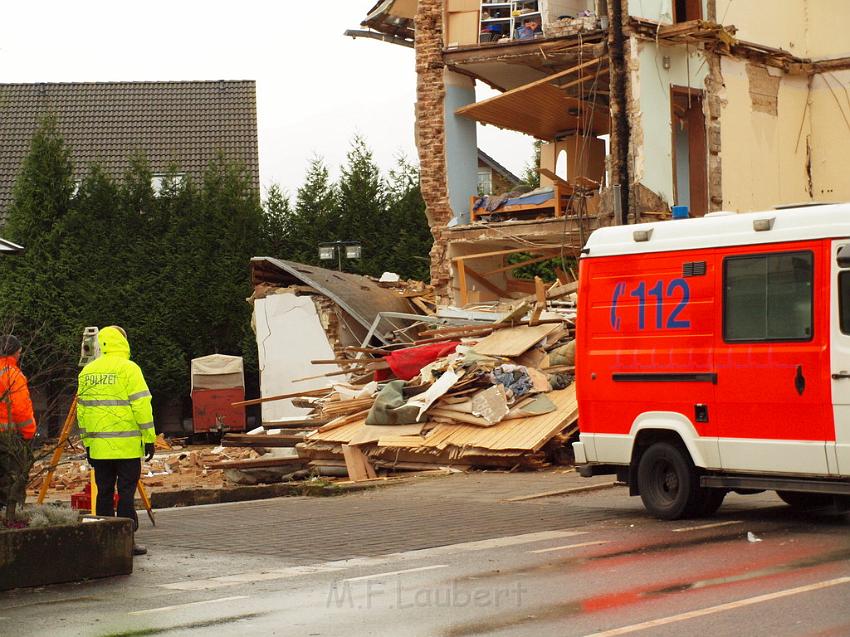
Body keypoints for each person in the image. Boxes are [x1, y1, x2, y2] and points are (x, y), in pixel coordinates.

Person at [77, 326, 155, 556]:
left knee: (103, 493)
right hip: (127, 446)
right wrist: (149, 438)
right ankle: (126, 542)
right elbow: (142, 405)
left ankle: (103, 540)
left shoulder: (87, 372)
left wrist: (87, 443)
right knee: (126, 494)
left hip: (100, 448)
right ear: (124, 342)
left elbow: (83, 412)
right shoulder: (130, 369)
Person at [0, 334, 37, 509]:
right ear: (15, 353)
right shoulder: (13, 375)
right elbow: (21, 409)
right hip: (7, 440)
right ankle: (12, 523)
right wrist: (29, 434)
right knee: (12, 484)